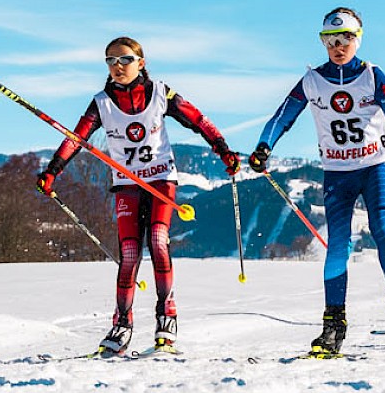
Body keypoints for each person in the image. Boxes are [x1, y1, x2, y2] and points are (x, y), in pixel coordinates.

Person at [38, 36, 238, 355]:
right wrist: (53, 170)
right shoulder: (101, 103)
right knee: (130, 254)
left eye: (125, 60)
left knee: (158, 240)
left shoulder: (160, 93)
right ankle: (122, 324)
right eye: (111, 61)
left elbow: (197, 119)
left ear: (141, 63)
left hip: (160, 180)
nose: (118, 66)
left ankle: (166, 315)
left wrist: (222, 149)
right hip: (126, 185)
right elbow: (76, 138)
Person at [248, 8, 385, 356]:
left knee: (381, 226)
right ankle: (333, 324)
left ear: (358, 39)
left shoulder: (372, 76)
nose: (337, 46)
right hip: (336, 173)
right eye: (329, 40)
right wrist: (263, 147)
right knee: (338, 245)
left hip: (373, 168)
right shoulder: (313, 81)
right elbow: (282, 116)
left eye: (345, 38)